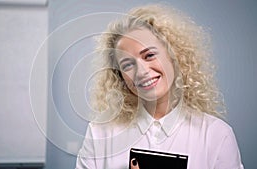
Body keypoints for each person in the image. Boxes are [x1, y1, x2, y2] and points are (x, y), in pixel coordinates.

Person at [76, 4, 244, 169]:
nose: (141, 72)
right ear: (120, 77)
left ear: (174, 56)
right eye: (127, 65)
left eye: (149, 55)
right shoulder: (100, 133)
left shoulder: (216, 135)